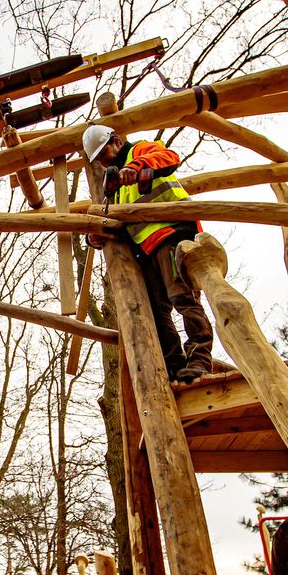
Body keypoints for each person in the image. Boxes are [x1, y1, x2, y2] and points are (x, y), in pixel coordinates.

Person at [81, 124, 214, 382]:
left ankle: (199, 360)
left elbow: (169, 158)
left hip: (173, 235)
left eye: (103, 154)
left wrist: (137, 167)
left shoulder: (140, 151)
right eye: (96, 160)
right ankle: (174, 366)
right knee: (155, 311)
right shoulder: (118, 187)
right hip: (147, 250)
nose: (102, 162)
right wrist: (96, 236)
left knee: (183, 298)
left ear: (116, 142)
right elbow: (119, 223)